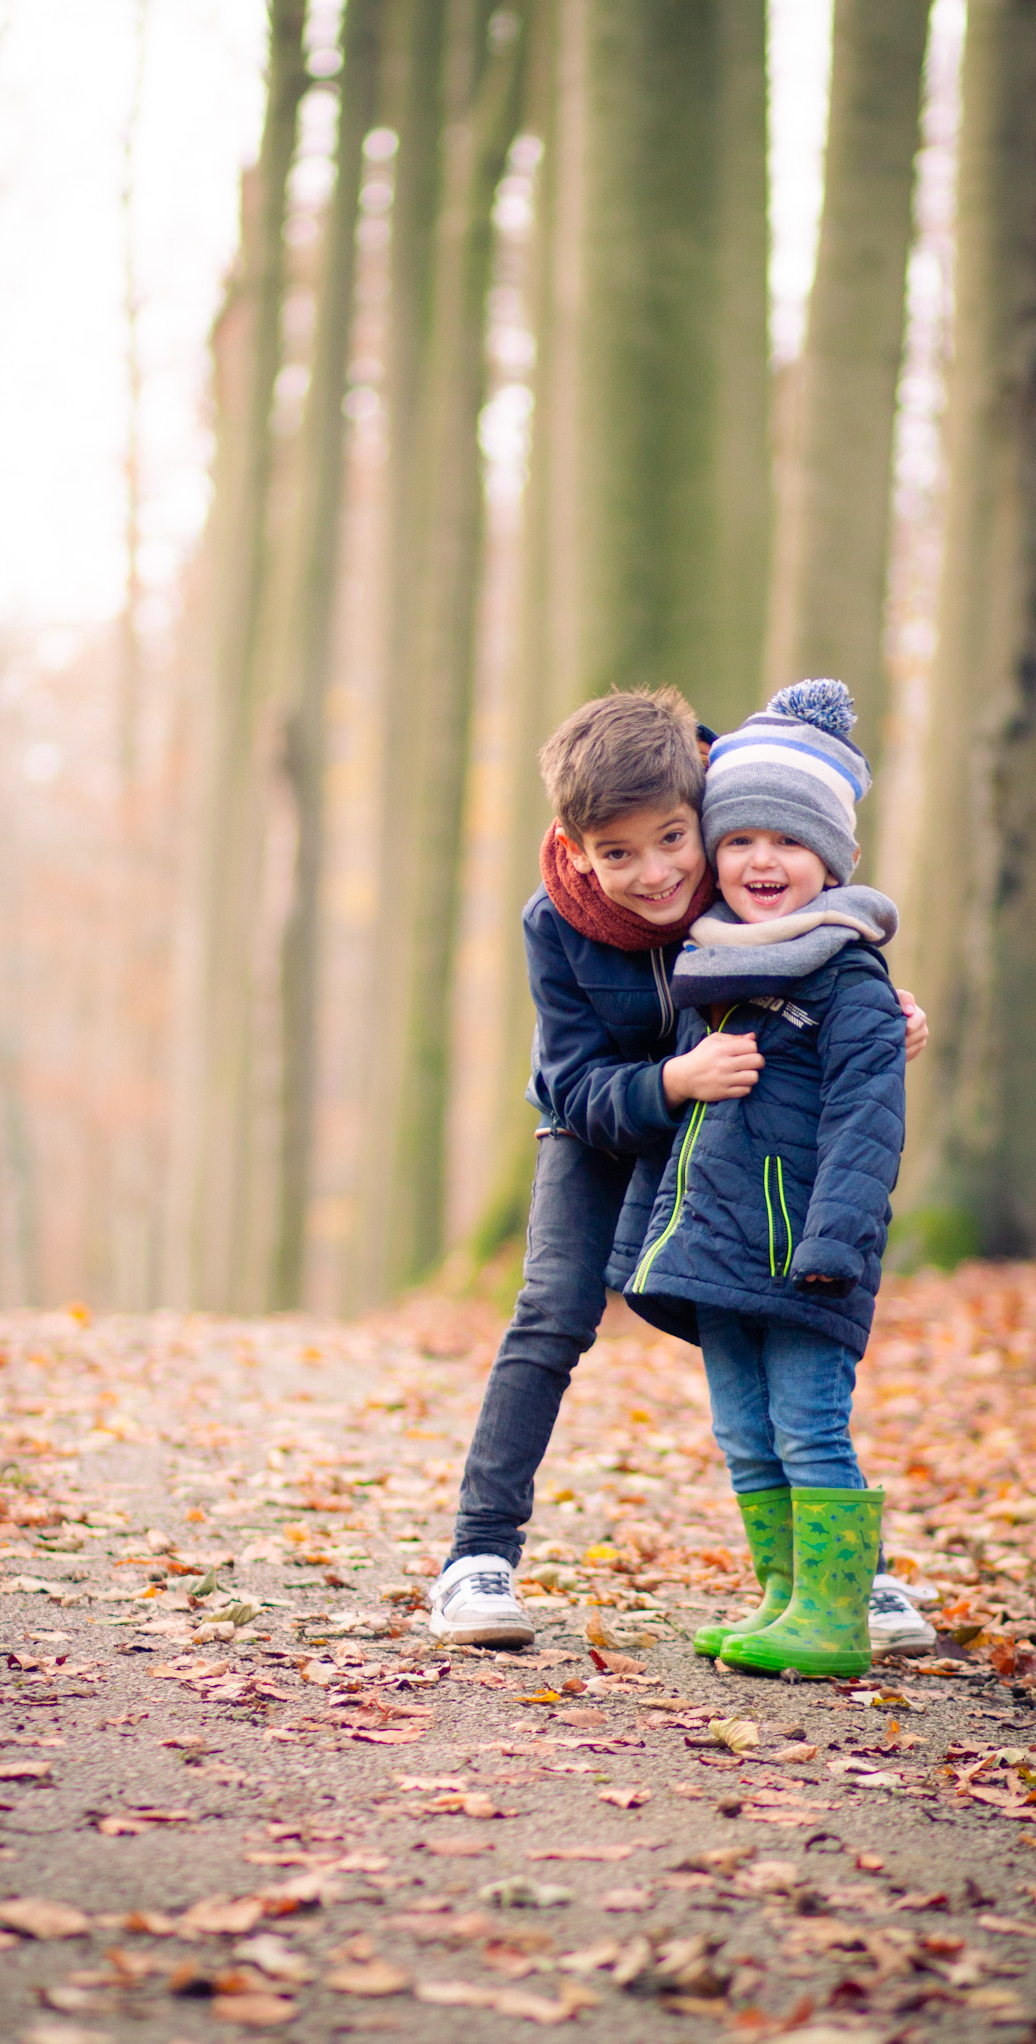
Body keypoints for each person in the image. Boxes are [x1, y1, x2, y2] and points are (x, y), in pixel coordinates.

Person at [428, 685, 933, 1654]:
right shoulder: (558, 924)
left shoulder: (739, 842)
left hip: (734, 1128)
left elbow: (823, 946)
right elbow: (570, 1082)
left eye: (672, 841)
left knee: (774, 1340)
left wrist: (882, 1018)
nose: (656, 873)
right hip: (606, 1121)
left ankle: (849, 1583)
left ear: (701, 805)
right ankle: (475, 1556)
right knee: (551, 1313)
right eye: (617, 853)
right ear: (577, 847)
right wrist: (670, 1077)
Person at [608, 679, 909, 1677]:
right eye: (738, 841)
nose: (762, 860)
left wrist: (835, 1246)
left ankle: (836, 1614)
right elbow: (694, 1135)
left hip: (806, 1258)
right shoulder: (716, 969)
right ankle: (784, 1596)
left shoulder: (847, 979)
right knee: (745, 1432)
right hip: (722, 1253)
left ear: (833, 858)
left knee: (809, 1427)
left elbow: (868, 1122)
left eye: (787, 841)